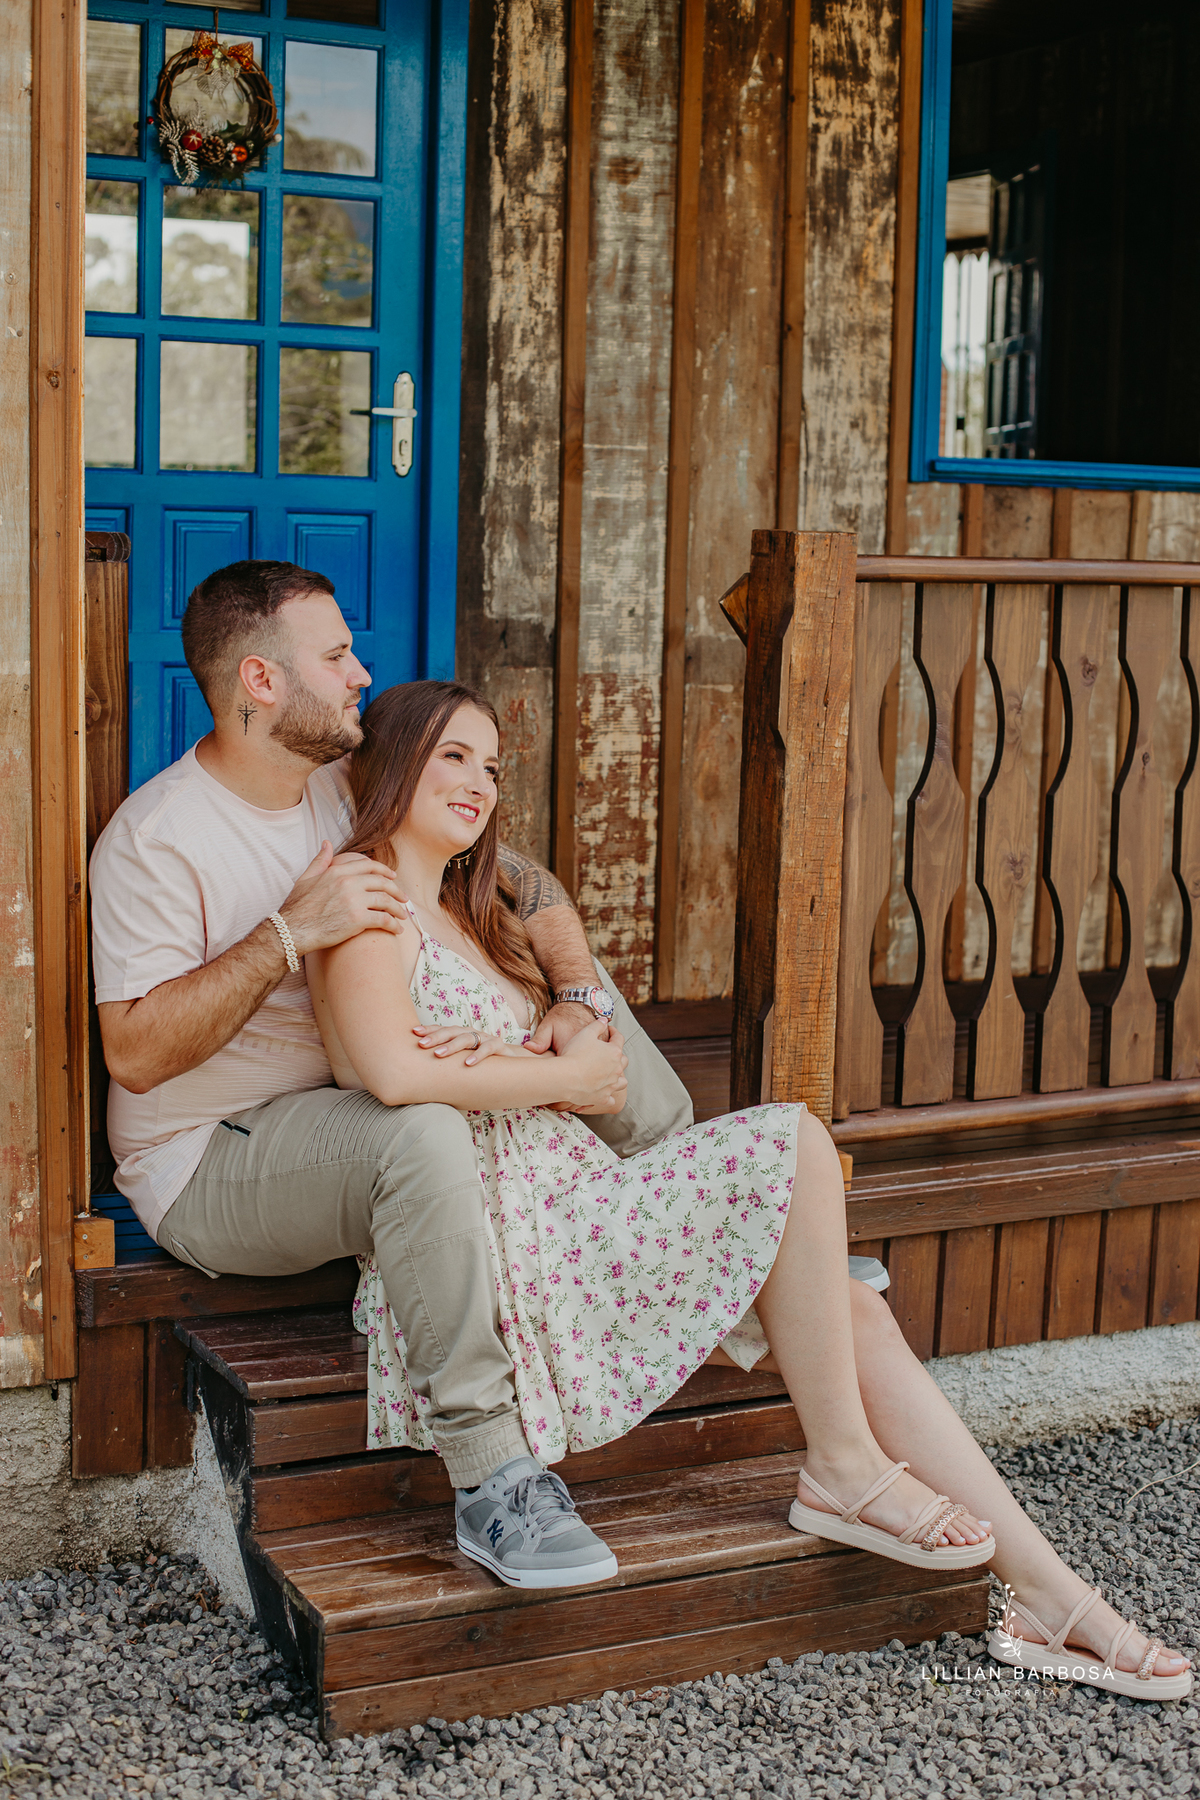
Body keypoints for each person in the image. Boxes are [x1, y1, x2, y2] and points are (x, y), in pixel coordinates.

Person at [306, 675, 1193, 1702]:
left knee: (842, 1292)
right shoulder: (365, 898)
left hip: (581, 1198)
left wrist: (567, 1015)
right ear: (395, 761)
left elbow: (542, 1027)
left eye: (492, 765)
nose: (478, 782)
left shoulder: (477, 903)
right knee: (794, 1149)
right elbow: (395, 1075)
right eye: (452, 755)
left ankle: (1054, 1598)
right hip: (514, 1241)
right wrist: (566, 1076)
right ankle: (855, 1474)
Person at [89, 559, 691, 1593]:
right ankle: (495, 1479)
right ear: (263, 683)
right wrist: (287, 935)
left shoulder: (346, 788)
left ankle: (704, 1213)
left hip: (364, 1087)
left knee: (569, 1014)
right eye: (335, 655)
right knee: (415, 1131)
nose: (362, 672)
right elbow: (135, 1053)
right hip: (213, 1157)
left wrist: (575, 994)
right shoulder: (156, 840)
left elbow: (525, 879)